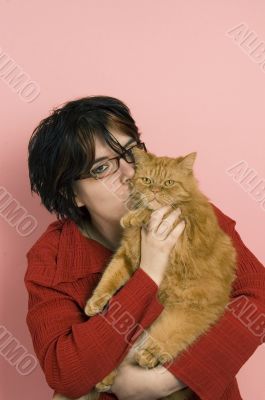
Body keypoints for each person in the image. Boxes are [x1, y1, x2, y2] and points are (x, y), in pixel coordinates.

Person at [25, 95, 265, 400]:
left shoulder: (190, 212)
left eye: (130, 152)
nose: (129, 173)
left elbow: (259, 296)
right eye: (101, 168)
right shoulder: (53, 259)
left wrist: (167, 380)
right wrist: (149, 272)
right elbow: (66, 372)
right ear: (73, 194)